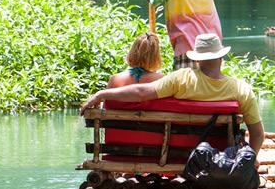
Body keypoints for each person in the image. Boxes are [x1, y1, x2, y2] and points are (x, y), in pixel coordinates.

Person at [80, 33, 264, 154]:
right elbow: (257, 134)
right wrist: (252, 157)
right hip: (221, 157)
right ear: (221, 57)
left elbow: (141, 93)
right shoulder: (242, 89)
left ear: (197, 60)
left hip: (176, 154)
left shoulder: (180, 79)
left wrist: (102, 94)